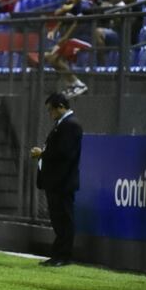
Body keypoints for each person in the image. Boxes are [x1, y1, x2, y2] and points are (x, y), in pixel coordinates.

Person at [30, 93, 83, 267]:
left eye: (51, 110)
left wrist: (42, 154)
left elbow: (65, 153)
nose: (50, 114)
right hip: (56, 181)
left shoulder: (71, 125)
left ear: (60, 106)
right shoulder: (62, 125)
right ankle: (57, 254)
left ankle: (63, 256)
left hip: (63, 181)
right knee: (58, 219)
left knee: (64, 219)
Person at [46, 0, 93, 98]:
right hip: (74, 39)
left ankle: (78, 85)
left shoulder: (85, 5)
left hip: (83, 39)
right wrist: (54, 31)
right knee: (50, 57)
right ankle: (73, 85)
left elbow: (76, 22)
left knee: (54, 59)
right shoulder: (76, 5)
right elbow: (65, 18)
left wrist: (65, 37)